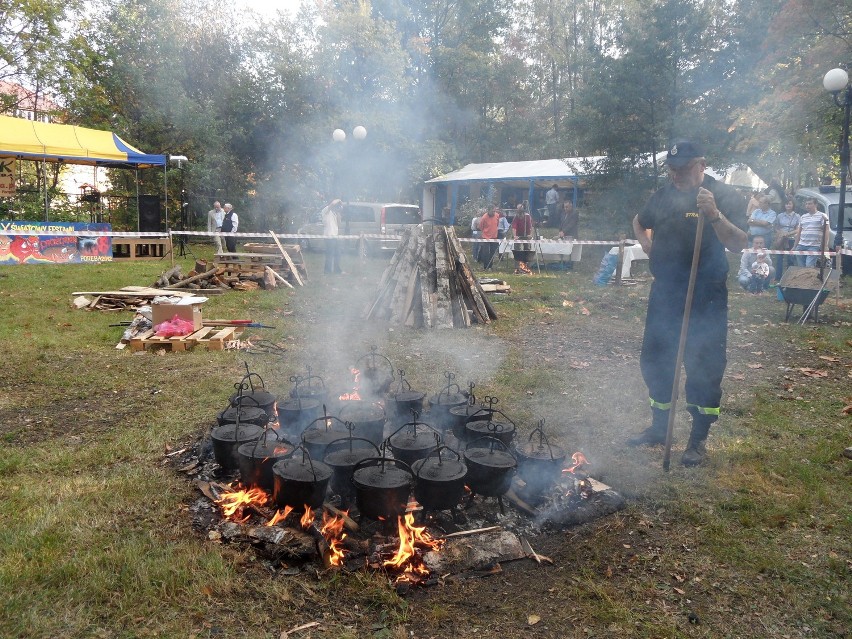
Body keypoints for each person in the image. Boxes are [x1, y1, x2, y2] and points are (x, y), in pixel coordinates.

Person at [628, 139, 748, 467]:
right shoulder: (663, 196)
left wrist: (713, 215)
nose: (676, 175)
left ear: (701, 165)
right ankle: (659, 427)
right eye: (672, 169)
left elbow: (739, 243)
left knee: (704, 365)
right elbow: (639, 221)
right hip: (666, 292)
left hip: (705, 296)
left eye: (682, 169)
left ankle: (697, 440)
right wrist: (648, 245)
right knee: (656, 360)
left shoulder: (723, 195)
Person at [793, 197, 829, 267]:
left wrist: (825, 246)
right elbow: (799, 232)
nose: (807, 206)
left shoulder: (823, 216)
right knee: (801, 267)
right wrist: (795, 246)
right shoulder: (803, 217)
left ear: (816, 205)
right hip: (801, 245)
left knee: (809, 266)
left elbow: (826, 230)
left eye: (810, 204)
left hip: (814, 245)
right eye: (806, 204)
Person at [772, 198, 800, 281]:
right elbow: (776, 227)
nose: (788, 205)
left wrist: (788, 234)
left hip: (791, 239)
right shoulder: (780, 215)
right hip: (781, 239)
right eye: (786, 204)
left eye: (790, 204)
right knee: (779, 258)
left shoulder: (797, 216)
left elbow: (798, 229)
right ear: (784, 205)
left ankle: (789, 277)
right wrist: (781, 233)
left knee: (790, 258)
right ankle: (778, 277)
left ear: (793, 205)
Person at [321, 198, 344, 274]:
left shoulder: (335, 213)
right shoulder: (325, 211)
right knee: (329, 255)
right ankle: (327, 271)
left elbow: (339, 224)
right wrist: (339, 200)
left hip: (335, 236)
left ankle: (337, 270)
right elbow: (333, 204)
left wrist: (338, 212)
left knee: (338, 254)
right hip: (329, 236)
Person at [557, 200, 580, 270]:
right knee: (562, 250)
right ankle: (561, 263)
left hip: (572, 235)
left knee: (571, 251)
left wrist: (563, 231)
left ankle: (570, 266)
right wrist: (560, 231)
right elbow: (561, 223)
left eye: (567, 207)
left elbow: (571, 224)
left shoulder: (575, 213)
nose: (565, 209)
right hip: (563, 235)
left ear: (571, 206)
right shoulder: (563, 213)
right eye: (564, 207)